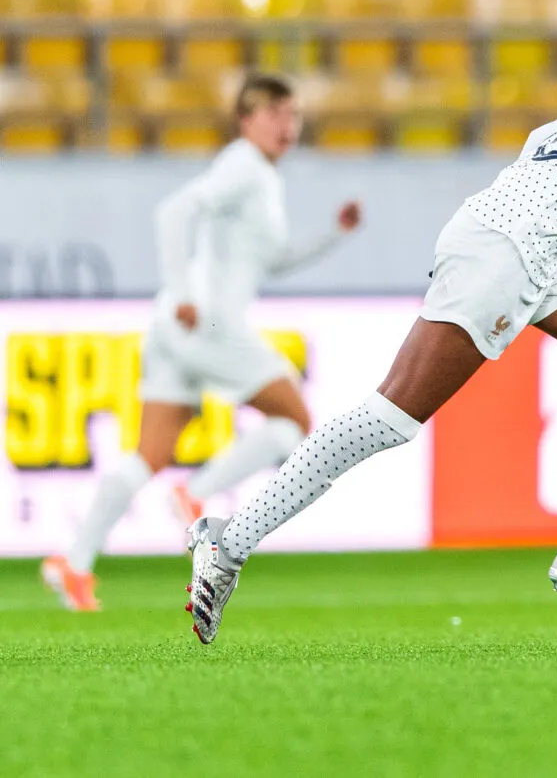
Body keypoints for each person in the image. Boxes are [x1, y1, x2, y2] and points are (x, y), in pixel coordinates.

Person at [183, 14, 557, 644]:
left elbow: (543, 138)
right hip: (506, 249)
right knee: (393, 416)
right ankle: (227, 542)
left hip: (537, 241)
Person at [42, 74, 361, 611]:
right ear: (245, 120)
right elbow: (173, 211)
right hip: (206, 322)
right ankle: (195, 494)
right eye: (275, 114)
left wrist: (334, 233)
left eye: (293, 115)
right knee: (295, 420)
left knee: (150, 454)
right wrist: (186, 292)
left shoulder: (261, 177)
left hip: (174, 324)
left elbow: (273, 260)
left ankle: (73, 564)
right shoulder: (244, 165)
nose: (287, 126)